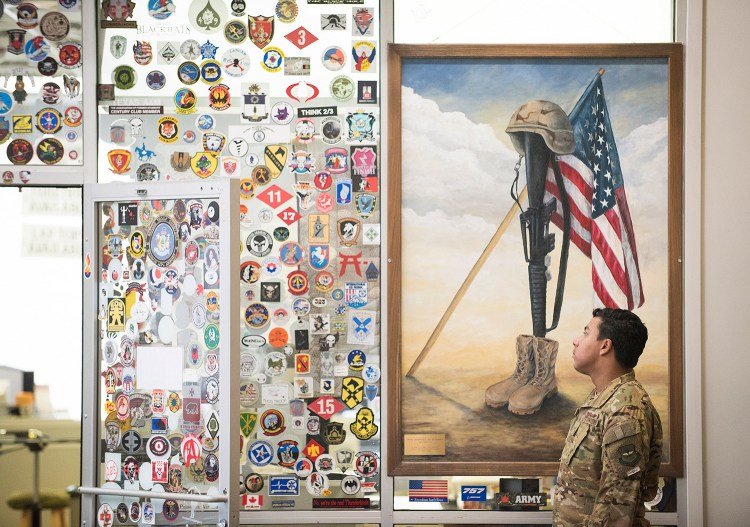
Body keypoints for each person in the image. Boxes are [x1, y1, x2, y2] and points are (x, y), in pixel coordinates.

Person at [553, 308, 662, 526]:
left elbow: (619, 503)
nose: (576, 341)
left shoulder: (625, 409)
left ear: (605, 346)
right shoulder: (602, 397)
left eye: (585, 333)